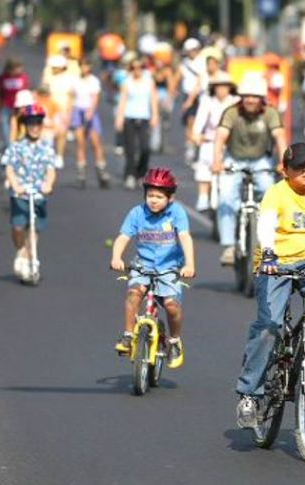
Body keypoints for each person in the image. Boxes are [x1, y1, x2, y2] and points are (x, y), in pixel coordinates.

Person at [235, 142, 305, 429]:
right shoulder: (277, 192)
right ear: (286, 170)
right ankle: (249, 394)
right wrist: (269, 254)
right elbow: (266, 225)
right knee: (270, 325)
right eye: (299, 167)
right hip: (276, 261)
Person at [110, 167, 195, 369]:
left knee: (172, 306)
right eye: (150, 196)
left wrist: (189, 264)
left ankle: (174, 341)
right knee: (134, 294)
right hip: (143, 265)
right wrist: (116, 257)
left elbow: (184, 237)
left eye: (159, 197)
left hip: (169, 268)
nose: (154, 200)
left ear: (170, 198)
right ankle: (128, 335)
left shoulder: (177, 213)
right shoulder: (137, 213)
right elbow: (123, 237)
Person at [212, 73, 288, 265]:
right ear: (241, 97)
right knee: (226, 197)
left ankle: (268, 240)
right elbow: (220, 137)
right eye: (247, 96)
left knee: (270, 194)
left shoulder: (271, 113)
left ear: (262, 99)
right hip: (234, 159)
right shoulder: (231, 113)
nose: (251, 100)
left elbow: (280, 137)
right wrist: (217, 161)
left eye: (255, 96)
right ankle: (229, 246)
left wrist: (284, 163)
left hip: (261, 160)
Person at [1, 104, 57, 281]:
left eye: (38, 123)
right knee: (18, 227)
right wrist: (16, 185)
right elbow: (9, 168)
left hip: (38, 194)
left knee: (34, 228)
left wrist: (48, 185)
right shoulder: (16, 147)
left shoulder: (47, 148)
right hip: (20, 194)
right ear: (25, 125)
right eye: (31, 123)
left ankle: (30, 260)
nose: (35, 127)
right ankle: (21, 251)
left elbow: (51, 170)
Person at [191, 72, 239, 211]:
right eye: (219, 86)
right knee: (205, 161)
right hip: (210, 141)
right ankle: (203, 196)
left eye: (225, 86)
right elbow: (199, 121)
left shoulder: (235, 102)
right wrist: (196, 135)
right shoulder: (207, 101)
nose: (222, 89)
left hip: (230, 143)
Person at [115, 58, 159, 190]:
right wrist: (119, 118)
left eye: (139, 68)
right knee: (131, 149)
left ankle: (141, 172)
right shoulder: (127, 82)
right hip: (129, 117)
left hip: (144, 118)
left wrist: (155, 115)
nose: (136, 70)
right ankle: (130, 174)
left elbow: (153, 99)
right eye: (133, 68)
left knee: (145, 148)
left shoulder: (149, 82)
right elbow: (123, 100)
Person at [70, 58, 110, 189]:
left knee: (96, 142)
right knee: (81, 143)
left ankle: (101, 170)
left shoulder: (94, 81)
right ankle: (81, 172)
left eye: (87, 65)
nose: (85, 68)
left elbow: (95, 98)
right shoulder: (75, 80)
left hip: (90, 111)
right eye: (82, 65)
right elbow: (72, 97)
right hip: (78, 110)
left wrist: (90, 112)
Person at [42, 55, 75, 167]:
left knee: (62, 134)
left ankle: (59, 156)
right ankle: (47, 156)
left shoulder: (69, 79)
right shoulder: (48, 77)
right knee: (47, 133)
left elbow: (71, 97)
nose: (53, 69)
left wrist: (69, 113)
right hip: (50, 110)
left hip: (63, 111)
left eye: (55, 67)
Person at [178, 38, 205, 163]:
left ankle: (198, 148)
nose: (192, 52)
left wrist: (190, 100)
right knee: (190, 122)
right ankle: (191, 148)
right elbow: (178, 77)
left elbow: (200, 82)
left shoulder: (203, 62)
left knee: (200, 123)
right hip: (187, 94)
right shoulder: (184, 63)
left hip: (200, 96)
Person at [0, 58, 30, 145]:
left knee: (18, 126)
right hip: (6, 106)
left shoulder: (23, 78)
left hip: (18, 107)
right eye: (18, 68)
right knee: (5, 126)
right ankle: (8, 144)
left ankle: (16, 143)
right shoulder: (2, 78)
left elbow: (26, 92)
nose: (20, 70)